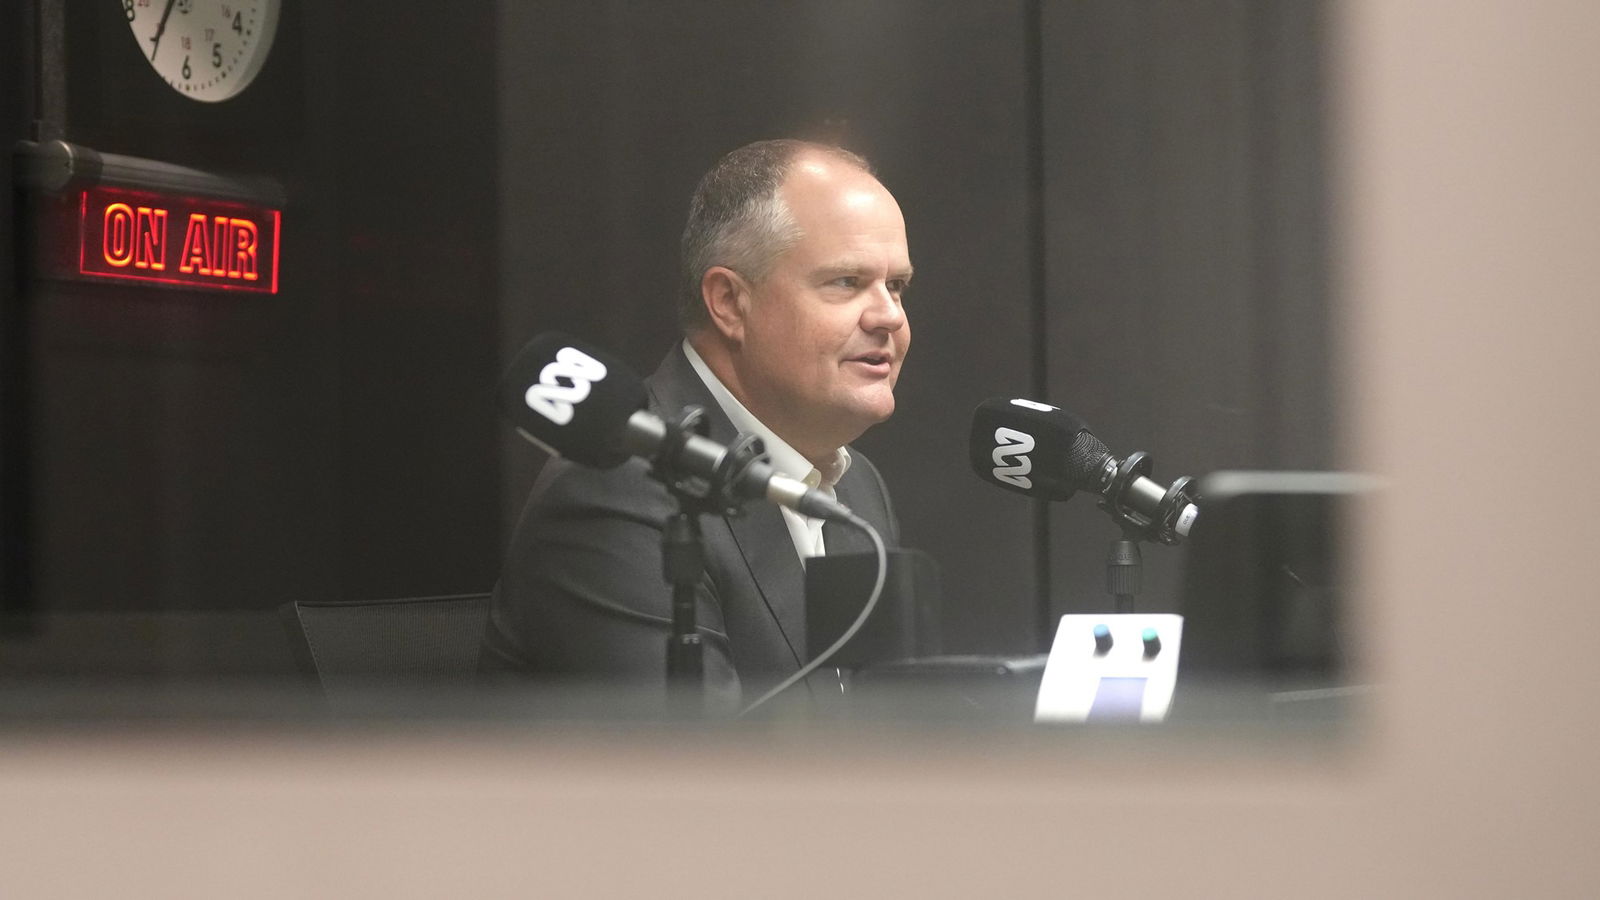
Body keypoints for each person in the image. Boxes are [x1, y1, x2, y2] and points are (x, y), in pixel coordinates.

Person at [481, 140, 913, 710]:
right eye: (845, 283)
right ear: (730, 302)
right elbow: (695, 779)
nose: (889, 316)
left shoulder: (855, 486)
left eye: (897, 285)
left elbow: (889, 728)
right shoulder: (624, 487)